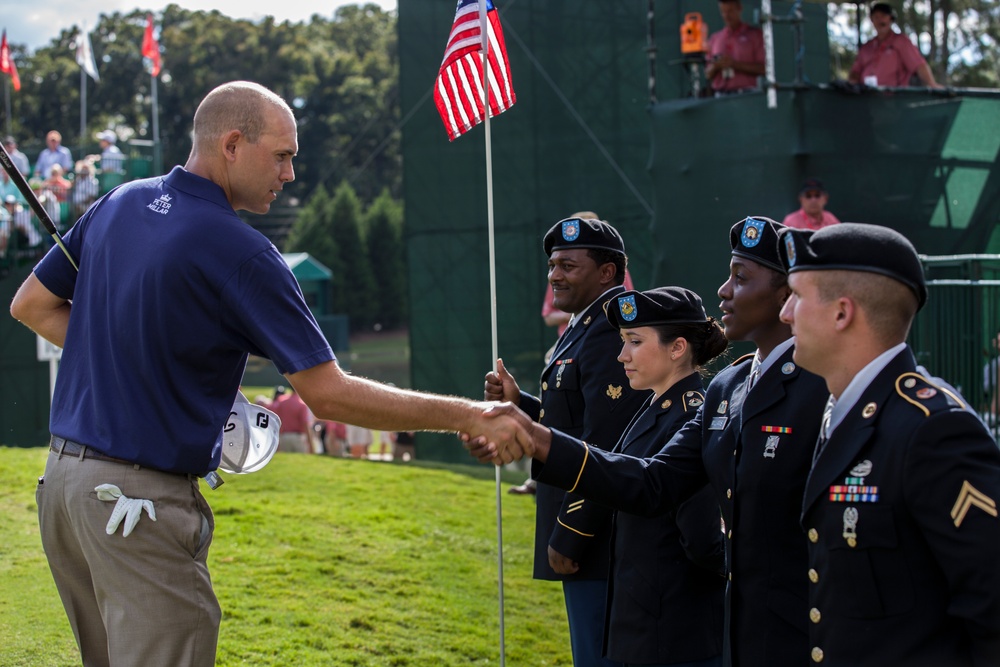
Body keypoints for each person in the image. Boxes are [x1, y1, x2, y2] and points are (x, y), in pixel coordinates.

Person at [9, 80, 531, 667]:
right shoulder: (244, 252)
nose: (289, 175)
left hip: (64, 492)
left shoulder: (121, 200)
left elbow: (32, 305)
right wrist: (469, 413)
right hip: (136, 503)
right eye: (282, 156)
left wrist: (138, 362)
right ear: (232, 144)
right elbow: (328, 393)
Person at [469, 217, 831, 666]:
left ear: (786, 296)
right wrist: (535, 435)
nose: (724, 290)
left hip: (781, 626)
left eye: (740, 278)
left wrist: (573, 527)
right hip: (728, 628)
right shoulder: (728, 387)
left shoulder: (823, 386)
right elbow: (651, 480)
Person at [776, 223, 1000, 665]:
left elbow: (992, 603)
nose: (785, 312)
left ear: (842, 313)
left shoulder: (931, 430)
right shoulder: (840, 413)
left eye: (797, 295)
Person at [485, 216, 649, 667]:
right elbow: (570, 417)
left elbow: (608, 446)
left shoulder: (612, 332)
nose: (555, 275)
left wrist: (572, 534)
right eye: (553, 265)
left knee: (600, 656)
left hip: (599, 539)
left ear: (607, 273)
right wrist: (523, 403)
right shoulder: (584, 325)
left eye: (569, 266)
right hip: (584, 532)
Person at [600, 286, 728, 666]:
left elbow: (704, 541)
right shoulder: (658, 405)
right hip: (643, 626)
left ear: (678, 348)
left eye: (635, 341)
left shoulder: (690, 417)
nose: (622, 354)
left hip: (674, 633)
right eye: (624, 341)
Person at [848, 2, 942, 88]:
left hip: (894, 100)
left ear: (890, 18)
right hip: (867, 100)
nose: (880, 20)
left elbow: (919, 65)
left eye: (883, 16)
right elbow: (855, 71)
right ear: (872, 20)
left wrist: (932, 84)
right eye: (876, 17)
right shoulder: (866, 47)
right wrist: (852, 85)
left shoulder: (901, 41)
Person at [705, 0, 764, 96]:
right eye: (723, 12)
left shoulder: (754, 35)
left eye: (730, 11)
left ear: (739, 9)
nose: (727, 16)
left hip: (747, 94)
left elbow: (764, 69)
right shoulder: (715, 39)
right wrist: (716, 66)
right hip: (720, 95)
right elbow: (707, 73)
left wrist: (735, 65)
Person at [269, 385, 318, 454]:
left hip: (284, 436)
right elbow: (305, 424)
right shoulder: (301, 404)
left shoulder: (281, 401)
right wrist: (310, 444)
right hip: (298, 438)